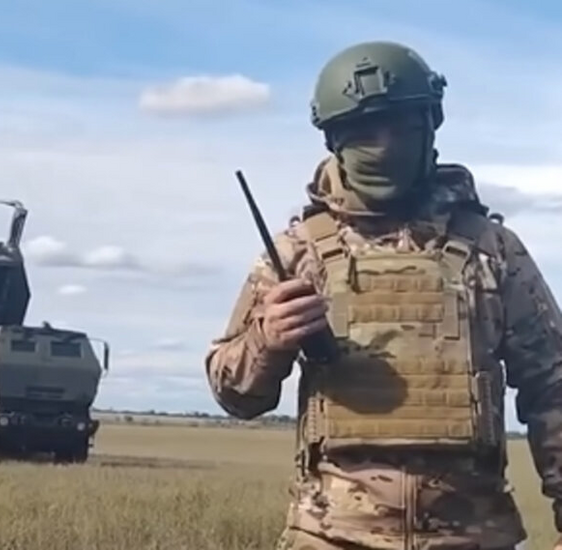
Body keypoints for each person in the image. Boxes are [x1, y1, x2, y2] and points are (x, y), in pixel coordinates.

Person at [204, 40, 562, 550]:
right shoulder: (298, 253)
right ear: (335, 140)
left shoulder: (491, 249)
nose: (385, 144)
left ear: (429, 126)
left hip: (473, 537)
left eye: (401, 126)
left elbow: (552, 385)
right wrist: (268, 341)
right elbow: (234, 394)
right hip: (330, 536)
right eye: (364, 131)